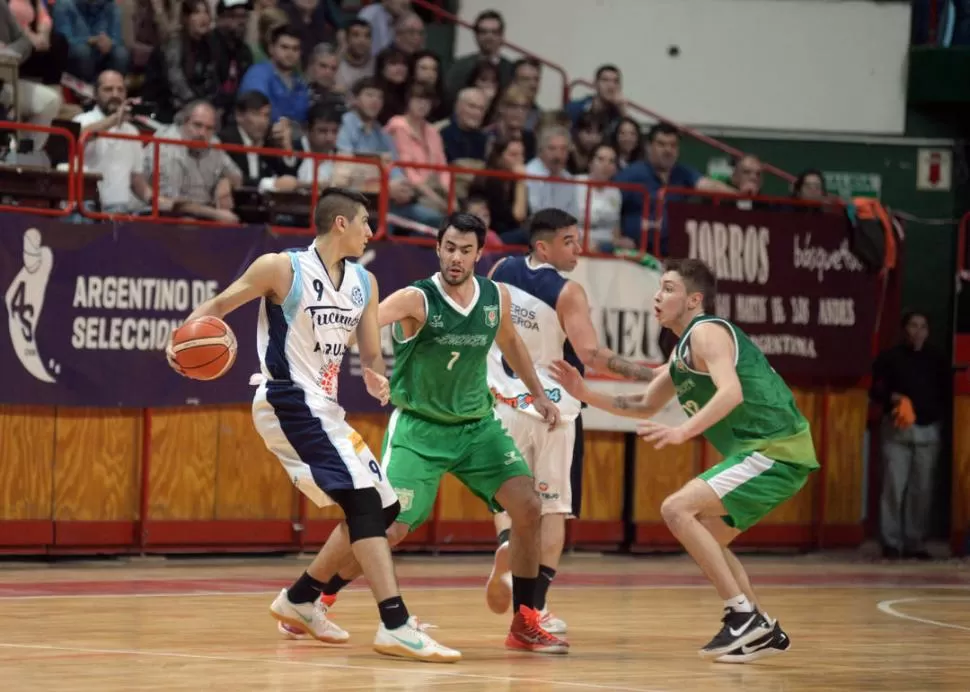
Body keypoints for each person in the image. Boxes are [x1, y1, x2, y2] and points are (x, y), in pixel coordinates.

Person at [166, 187, 460, 664]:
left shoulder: (364, 282)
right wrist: (178, 342)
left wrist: (373, 375)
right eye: (365, 221)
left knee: (382, 510)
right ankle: (395, 624)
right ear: (340, 223)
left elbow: (367, 350)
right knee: (364, 501)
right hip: (287, 398)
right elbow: (219, 306)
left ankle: (301, 599)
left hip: (324, 406)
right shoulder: (281, 268)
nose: (372, 230)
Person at [282, 212, 570, 654]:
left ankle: (525, 622)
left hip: (477, 427)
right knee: (388, 528)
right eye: (449, 247)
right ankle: (314, 594)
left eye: (466, 249)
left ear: (479, 253)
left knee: (529, 506)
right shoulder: (417, 298)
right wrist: (371, 371)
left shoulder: (495, 297)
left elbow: (511, 342)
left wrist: (539, 395)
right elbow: (360, 323)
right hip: (420, 429)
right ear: (438, 249)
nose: (456, 257)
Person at [550, 258, 816, 663]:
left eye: (669, 288)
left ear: (694, 300)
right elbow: (642, 404)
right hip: (765, 452)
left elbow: (731, 393)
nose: (658, 295)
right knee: (711, 535)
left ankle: (742, 616)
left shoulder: (707, 333)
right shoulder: (682, 351)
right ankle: (759, 625)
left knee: (676, 509)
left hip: (775, 448)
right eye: (659, 287)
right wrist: (584, 392)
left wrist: (682, 432)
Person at [484, 208, 656, 635]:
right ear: (543, 246)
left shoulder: (501, 269)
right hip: (553, 409)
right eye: (568, 241)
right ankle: (534, 610)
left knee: (509, 497)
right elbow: (593, 354)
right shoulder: (568, 292)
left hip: (505, 400)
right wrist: (649, 374)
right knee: (553, 509)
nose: (578, 248)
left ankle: (506, 548)